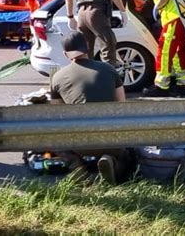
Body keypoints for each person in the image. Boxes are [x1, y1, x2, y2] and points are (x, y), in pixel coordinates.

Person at [50, 31, 133, 183]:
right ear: (87, 46)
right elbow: (122, 107)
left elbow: (58, 114)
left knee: (54, 138)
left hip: (79, 143)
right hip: (112, 141)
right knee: (127, 155)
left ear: (65, 54)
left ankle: (78, 169)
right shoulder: (109, 69)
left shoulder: (57, 77)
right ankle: (112, 162)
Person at [140, 0, 185, 97]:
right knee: (178, 53)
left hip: (172, 19)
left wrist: (156, 7)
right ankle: (182, 84)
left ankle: (161, 86)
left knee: (164, 52)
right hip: (180, 19)